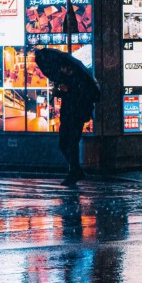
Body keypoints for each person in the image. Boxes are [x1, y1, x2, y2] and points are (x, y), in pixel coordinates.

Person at [34, 47, 100, 183]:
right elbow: (66, 95)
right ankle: (76, 170)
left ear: (68, 67)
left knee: (71, 143)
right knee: (64, 143)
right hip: (67, 115)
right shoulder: (64, 79)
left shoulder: (81, 80)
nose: (61, 70)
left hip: (77, 115)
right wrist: (58, 91)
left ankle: (74, 172)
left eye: (63, 68)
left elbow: (82, 97)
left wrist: (68, 90)